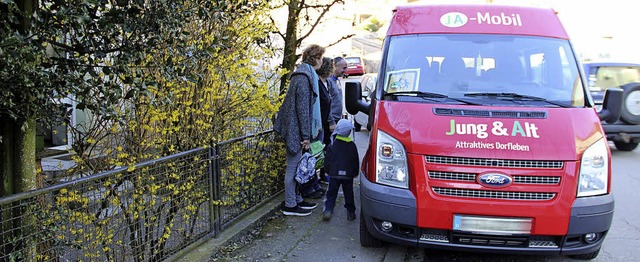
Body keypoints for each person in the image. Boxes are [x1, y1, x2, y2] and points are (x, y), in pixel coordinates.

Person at [273, 44, 325, 216]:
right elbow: (303, 110)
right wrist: (305, 136)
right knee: (293, 167)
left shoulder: (303, 75)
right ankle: (290, 205)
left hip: (295, 128)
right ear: (315, 59)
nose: (322, 61)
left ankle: (296, 200)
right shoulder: (304, 78)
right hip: (296, 130)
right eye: (321, 58)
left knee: (296, 167)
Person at [300, 57, 334, 199]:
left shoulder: (324, 83)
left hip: (321, 125)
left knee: (317, 156)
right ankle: (309, 187)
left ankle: (314, 184)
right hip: (316, 126)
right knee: (311, 156)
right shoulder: (317, 83)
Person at [322, 119, 359, 221]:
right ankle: (351, 212)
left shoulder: (332, 145)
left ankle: (328, 210)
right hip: (348, 176)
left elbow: (328, 160)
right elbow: (355, 160)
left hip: (334, 174)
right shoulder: (352, 145)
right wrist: (355, 173)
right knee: (349, 194)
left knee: (331, 193)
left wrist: (327, 170)